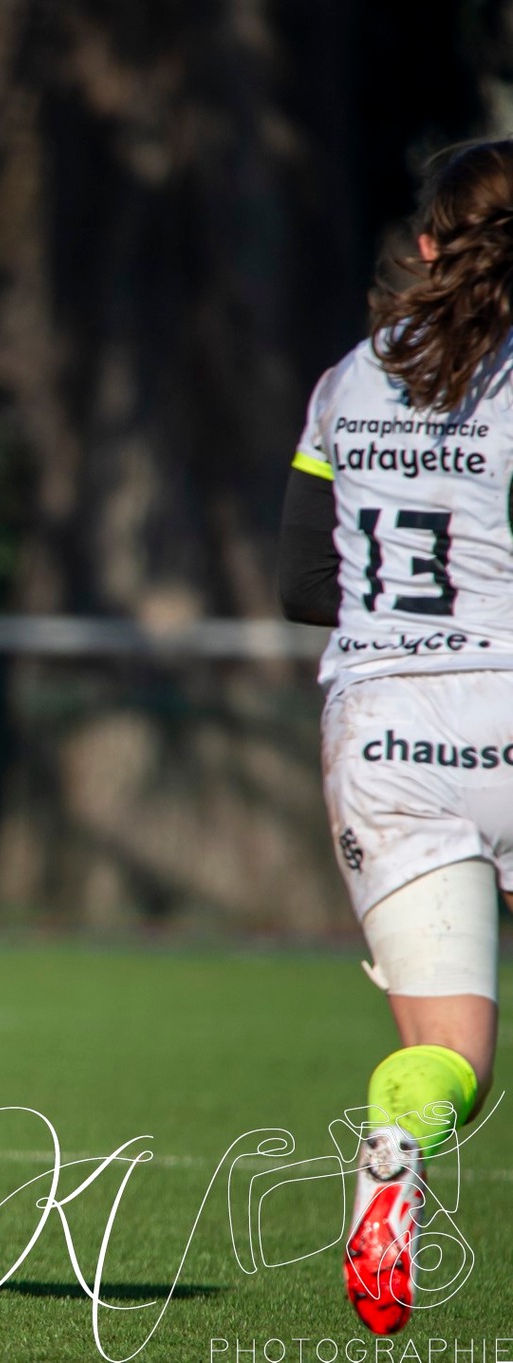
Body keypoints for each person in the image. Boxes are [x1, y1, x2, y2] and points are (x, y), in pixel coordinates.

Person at [277, 138, 513, 1337]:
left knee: (447, 1058)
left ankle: (391, 1146)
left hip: (380, 727)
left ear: (427, 243)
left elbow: (298, 577)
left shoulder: (344, 382)